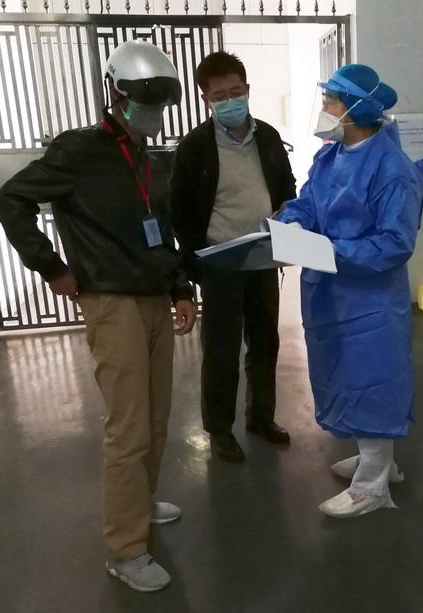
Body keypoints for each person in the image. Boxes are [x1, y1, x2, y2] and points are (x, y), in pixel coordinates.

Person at [0, 40, 196, 591]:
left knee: (156, 418)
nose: (153, 114)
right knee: (128, 428)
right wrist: (51, 268)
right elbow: (10, 200)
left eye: (160, 105)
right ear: (118, 95)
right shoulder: (79, 151)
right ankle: (125, 550)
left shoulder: (151, 160)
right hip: (112, 303)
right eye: (145, 103)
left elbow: (163, 231)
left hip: (154, 300)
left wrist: (180, 287)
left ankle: (141, 502)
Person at [276, 64, 423, 518]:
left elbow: (394, 243)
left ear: (356, 108)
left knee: (371, 378)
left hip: (370, 300)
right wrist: (291, 224)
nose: (324, 108)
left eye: (331, 100)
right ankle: (377, 458)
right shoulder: (330, 157)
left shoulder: (392, 169)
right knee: (344, 375)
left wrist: (329, 250)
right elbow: (307, 202)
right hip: (331, 293)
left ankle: (372, 487)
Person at [171, 52, 296, 462]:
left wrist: (287, 218)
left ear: (247, 90)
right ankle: (220, 429)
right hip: (219, 262)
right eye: (220, 96)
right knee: (221, 350)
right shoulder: (194, 147)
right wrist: (194, 267)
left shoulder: (268, 137)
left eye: (236, 92)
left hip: (263, 256)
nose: (230, 101)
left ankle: (261, 417)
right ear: (205, 99)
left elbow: (286, 185)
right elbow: (180, 212)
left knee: (265, 342)